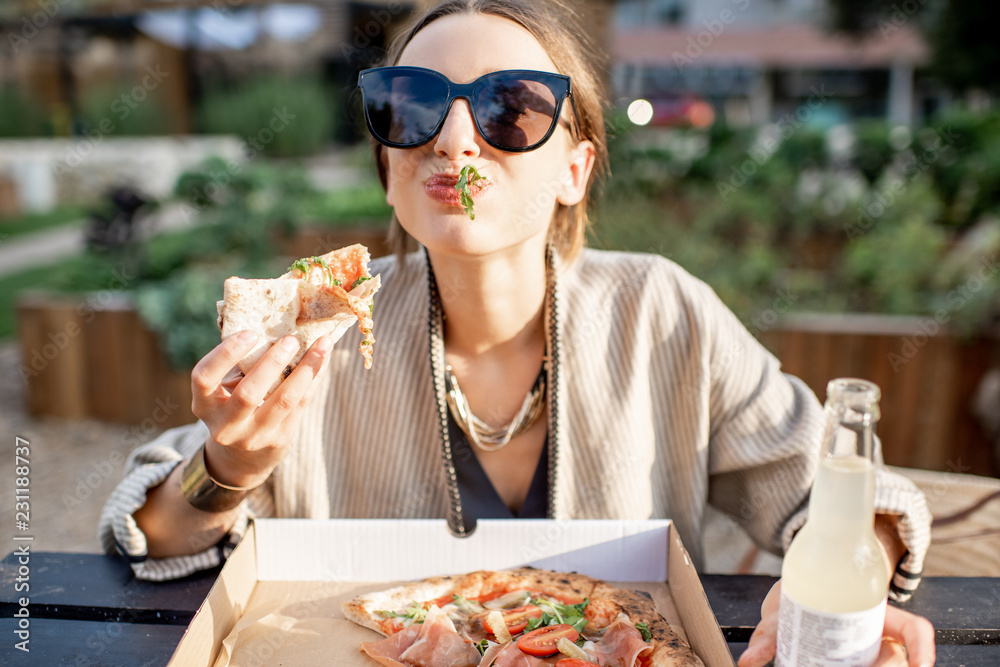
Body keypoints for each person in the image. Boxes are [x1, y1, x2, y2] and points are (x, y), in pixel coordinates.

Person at [99, 1, 935, 664]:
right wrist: (231, 467)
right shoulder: (321, 324)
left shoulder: (662, 313)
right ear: (387, 163)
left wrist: (833, 585)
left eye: (510, 110)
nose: (454, 141)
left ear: (575, 168)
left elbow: (829, 490)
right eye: (411, 106)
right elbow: (153, 535)